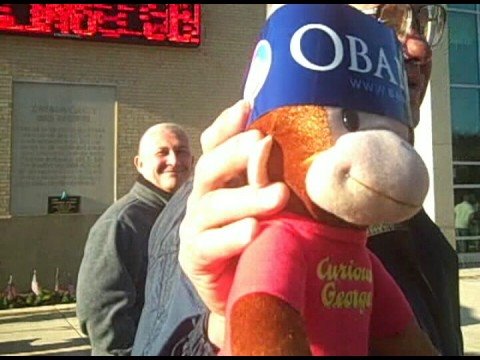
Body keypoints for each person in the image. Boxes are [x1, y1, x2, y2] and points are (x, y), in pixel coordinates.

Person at [132, 3, 464, 356]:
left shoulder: (410, 217)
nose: (418, 48)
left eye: (424, 19)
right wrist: (219, 325)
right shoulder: (208, 219)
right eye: (389, 16)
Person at [76, 122, 194, 356]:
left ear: (192, 161)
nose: (174, 160)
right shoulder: (120, 223)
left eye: (181, 152)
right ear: (139, 164)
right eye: (162, 152)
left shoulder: (193, 213)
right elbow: (101, 311)